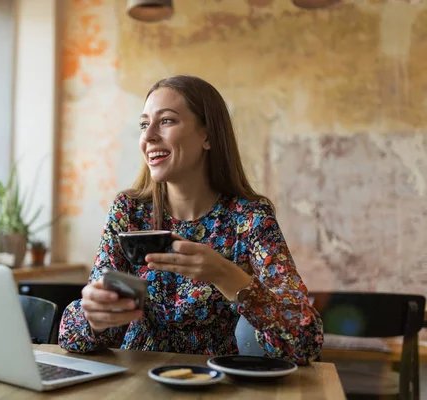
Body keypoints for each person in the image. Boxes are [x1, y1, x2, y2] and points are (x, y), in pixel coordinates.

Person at [58, 75, 323, 365]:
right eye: (144, 124)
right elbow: (72, 337)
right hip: (134, 380)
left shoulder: (249, 217)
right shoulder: (129, 211)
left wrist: (225, 275)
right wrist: (95, 317)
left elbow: (305, 341)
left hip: (214, 384)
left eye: (167, 121)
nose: (147, 137)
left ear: (207, 136)